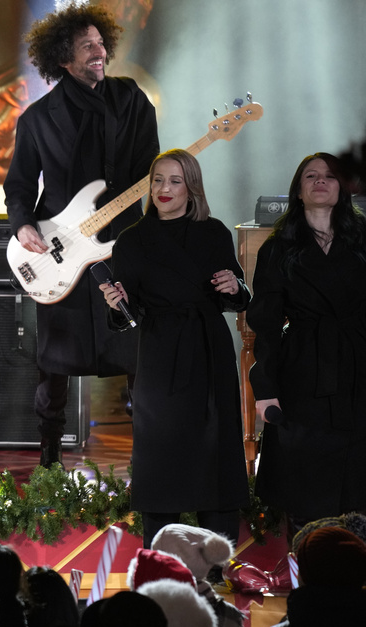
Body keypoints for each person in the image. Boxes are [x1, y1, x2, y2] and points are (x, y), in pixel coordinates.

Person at [3, 3, 158, 467]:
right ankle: (50, 464)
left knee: (137, 360)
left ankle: (146, 466)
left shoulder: (131, 101)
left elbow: (151, 171)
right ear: (63, 58)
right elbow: (19, 185)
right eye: (86, 45)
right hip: (60, 253)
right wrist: (23, 224)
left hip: (123, 247)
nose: (99, 51)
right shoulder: (36, 119)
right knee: (53, 368)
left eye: (100, 42)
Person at [99, 149, 250, 546]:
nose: (164, 189)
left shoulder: (216, 232)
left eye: (175, 181)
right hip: (160, 350)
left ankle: (217, 556)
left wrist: (237, 288)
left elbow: (236, 292)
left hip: (208, 348)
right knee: (160, 446)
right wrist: (117, 304)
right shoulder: (132, 240)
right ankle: (160, 552)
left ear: (192, 188)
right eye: (158, 180)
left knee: (214, 443)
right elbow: (125, 315)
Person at [246, 152, 366, 538]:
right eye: (311, 176)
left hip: (358, 365)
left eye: (330, 176)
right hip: (302, 369)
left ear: (343, 188)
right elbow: (264, 325)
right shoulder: (278, 247)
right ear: (298, 190)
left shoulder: (363, 239)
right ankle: (306, 568)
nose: (320, 181)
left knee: (357, 475)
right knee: (305, 477)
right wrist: (265, 390)